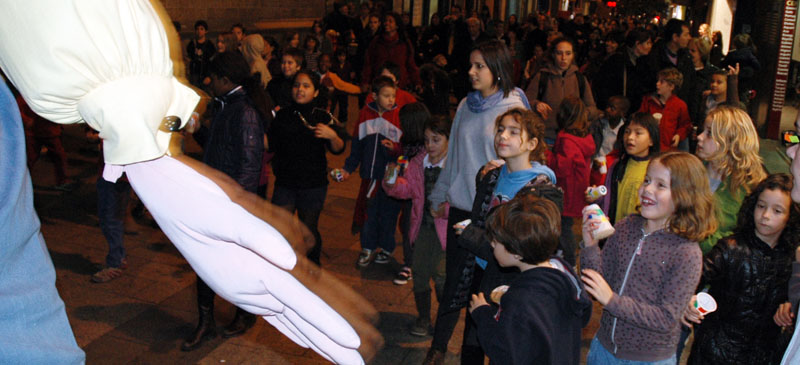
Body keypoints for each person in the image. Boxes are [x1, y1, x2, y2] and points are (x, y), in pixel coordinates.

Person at [0, 2, 382, 363]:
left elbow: (252, 158)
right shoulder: (221, 107)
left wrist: (223, 196)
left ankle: (232, 317)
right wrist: (156, 157)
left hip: (234, 195)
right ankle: (211, 320)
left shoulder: (244, 111)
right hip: (196, 193)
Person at [424, 39, 530, 365]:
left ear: (497, 69)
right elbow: (454, 154)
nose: (471, 72)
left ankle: (472, 355)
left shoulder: (513, 105)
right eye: (471, 65)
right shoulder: (466, 106)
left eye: (479, 66)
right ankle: (438, 347)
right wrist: (439, 194)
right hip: (461, 209)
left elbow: (523, 156)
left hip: (493, 214)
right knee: (454, 282)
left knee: (482, 291)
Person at [581, 151, 717, 364]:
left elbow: (666, 318)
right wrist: (590, 247)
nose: (647, 189)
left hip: (648, 359)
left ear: (685, 195)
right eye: (647, 180)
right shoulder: (626, 227)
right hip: (604, 348)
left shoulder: (686, 252)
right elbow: (597, 283)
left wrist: (612, 300)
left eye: (660, 185)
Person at [456, 107, 563, 364]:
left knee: (504, 345)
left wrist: (471, 236)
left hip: (512, 279)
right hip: (481, 273)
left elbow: (522, 244)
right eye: (500, 129)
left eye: (514, 132)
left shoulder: (542, 190)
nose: (503, 136)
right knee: (473, 340)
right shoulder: (492, 175)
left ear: (532, 143)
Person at [184, 52, 266, 351]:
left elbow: (249, 164)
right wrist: (199, 130)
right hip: (215, 199)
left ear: (226, 80)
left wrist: (235, 207)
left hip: (231, 205)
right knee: (203, 262)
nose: (208, 82)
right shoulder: (224, 105)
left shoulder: (243, 111)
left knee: (236, 265)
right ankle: (204, 322)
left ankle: (245, 313)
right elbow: (217, 149)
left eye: (212, 77)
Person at [684, 173, 800, 364]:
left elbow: (791, 306)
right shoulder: (730, 248)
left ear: (791, 217)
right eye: (761, 206)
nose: (765, 215)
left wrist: (789, 307)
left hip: (762, 356)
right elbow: (692, 282)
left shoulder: (791, 258)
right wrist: (690, 301)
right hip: (714, 353)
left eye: (777, 211)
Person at [469, 194, 592, 364]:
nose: (491, 245)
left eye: (496, 242)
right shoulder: (565, 272)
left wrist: (482, 314)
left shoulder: (520, 299)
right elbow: (582, 316)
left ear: (516, 253)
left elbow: (506, 353)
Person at [268, 70, 346, 266]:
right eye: (296, 85)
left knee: (308, 229)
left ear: (316, 92)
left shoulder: (321, 116)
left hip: (312, 183)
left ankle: (312, 268)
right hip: (285, 181)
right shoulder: (283, 114)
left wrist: (332, 136)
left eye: (306, 86)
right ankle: (282, 265)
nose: (300, 90)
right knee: (280, 227)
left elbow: (339, 148)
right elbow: (270, 143)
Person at [383, 113, 451, 334]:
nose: (430, 145)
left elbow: (465, 198)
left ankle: (446, 316)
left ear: (449, 139)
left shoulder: (455, 165)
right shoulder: (418, 162)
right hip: (421, 227)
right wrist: (391, 182)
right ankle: (423, 319)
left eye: (436, 140)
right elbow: (408, 190)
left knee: (441, 276)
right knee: (420, 274)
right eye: (426, 140)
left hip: (446, 232)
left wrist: (446, 210)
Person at [339, 76, 403, 267]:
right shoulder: (365, 114)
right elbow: (357, 145)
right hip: (371, 176)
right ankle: (367, 248)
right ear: (374, 96)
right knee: (370, 213)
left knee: (389, 214)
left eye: (393, 95)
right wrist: (349, 167)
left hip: (391, 175)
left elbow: (403, 149)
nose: (391, 99)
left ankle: (386, 249)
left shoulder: (398, 116)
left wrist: (394, 149)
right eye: (386, 95)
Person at [695, 106, 767, 253]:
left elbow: (737, 237)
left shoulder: (746, 187)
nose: (699, 137)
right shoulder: (692, 171)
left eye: (709, 133)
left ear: (731, 142)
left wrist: (694, 239)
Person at [591, 112, 660, 225]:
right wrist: (596, 197)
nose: (630, 137)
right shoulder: (617, 166)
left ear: (651, 140)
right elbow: (609, 199)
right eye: (627, 132)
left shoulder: (657, 170)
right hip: (616, 232)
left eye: (638, 133)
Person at [526, 37, 598, 145]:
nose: (563, 58)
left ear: (573, 55)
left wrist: (580, 115)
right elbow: (525, 102)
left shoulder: (580, 79)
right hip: (546, 137)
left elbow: (592, 109)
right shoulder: (542, 76)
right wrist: (536, 104)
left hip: (572, 138)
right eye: (559, 53)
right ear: (553, 55)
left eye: (568, 53)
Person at [549, 97, 595, 265]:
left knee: (564, 226)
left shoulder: (567, 139)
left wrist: (549, 157)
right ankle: (564, 254)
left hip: (567, 191)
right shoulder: (585, 137)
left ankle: (569, 259)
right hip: (577, 188)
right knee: (565, 224)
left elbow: (562, 167)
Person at [362, 12, 420, 91]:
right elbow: (369, 63)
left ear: (397, 25)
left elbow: (410, 64)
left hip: (400, 85)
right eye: (385, 21)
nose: (386, 23)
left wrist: (417, 82)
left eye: (390, 21)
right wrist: (366, 81)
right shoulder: (377, 41)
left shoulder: (404, 43)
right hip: (380, 85)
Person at [638, 67, 691, 152]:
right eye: (658, 81)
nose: (657, 84)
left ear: (671, 86)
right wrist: (649, 121)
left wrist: (678, 135)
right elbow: (639, 119)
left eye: (661, 82)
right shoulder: (648, 101)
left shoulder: (680, 105)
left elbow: (685, 125)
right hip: (649, 147)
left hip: (668, 149)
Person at [588, 95, 630, 186]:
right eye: (607, 106)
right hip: (594, 166)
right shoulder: (598, 124)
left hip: (611, 169)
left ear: (622, 113)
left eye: (612, 108)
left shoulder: (625, 131)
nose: (607, 110)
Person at [186, 20, 216, 87]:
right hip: (194, 73)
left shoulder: (209, 44)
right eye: (197, 29)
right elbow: (189, 58)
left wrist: (209, 75)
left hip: (205, 73)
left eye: (202, 29)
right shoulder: (192, 44)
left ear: (206, 31)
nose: (199, 31)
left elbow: (211, 60)